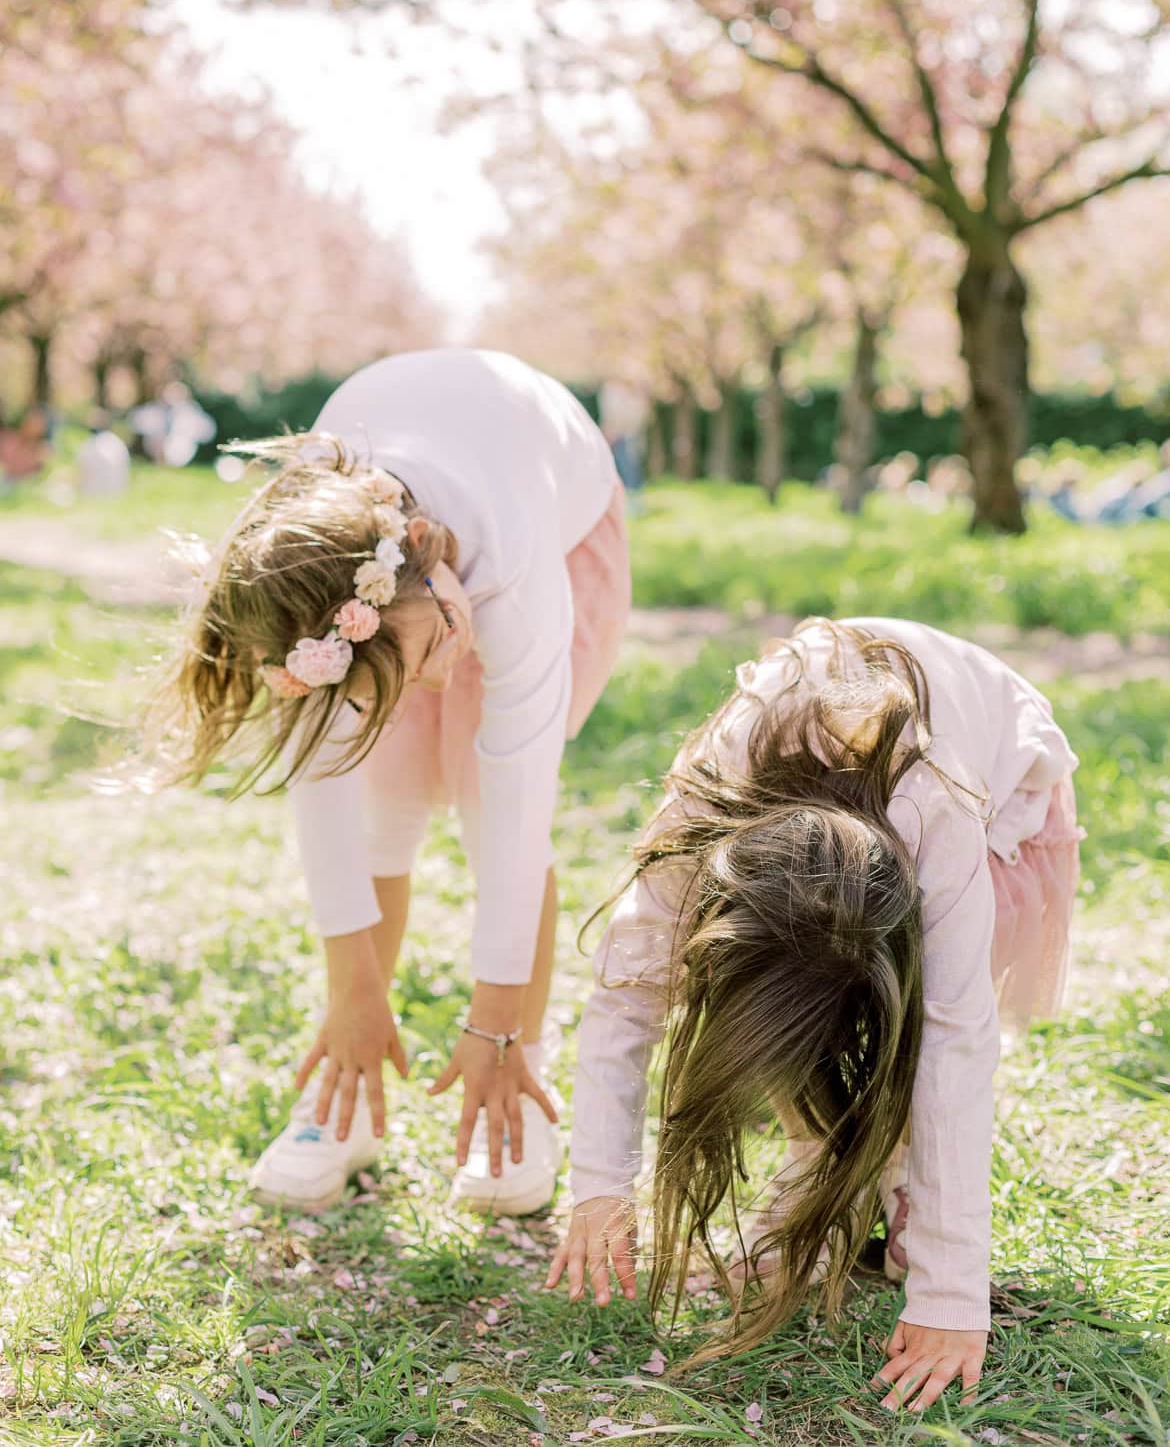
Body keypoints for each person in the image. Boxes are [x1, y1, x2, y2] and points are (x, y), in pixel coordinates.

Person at [547, 617, 1080, 1415]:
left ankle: (880, 1168)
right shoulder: (705, 808)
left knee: (911, 1037)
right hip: (794, 789)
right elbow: (628, 991)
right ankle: (826, 1159)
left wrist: (949, 1294)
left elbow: (954, 1044)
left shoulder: (939, 809)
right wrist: (598, 1183)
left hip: (994, 769)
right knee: (789, 1015)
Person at [148, 349, 630, 1214]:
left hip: (556, 515)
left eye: (417, 663)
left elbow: (522, 814)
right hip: (409, 607)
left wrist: (492, 1023)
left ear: (423, 547)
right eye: (397, 680)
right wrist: (353, 992)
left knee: (494, 819)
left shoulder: (510, 570)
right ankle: (345, 1085)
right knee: (383, 806)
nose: (437, 691)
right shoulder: (311, 578)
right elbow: (324, 778)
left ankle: (515, 1080)